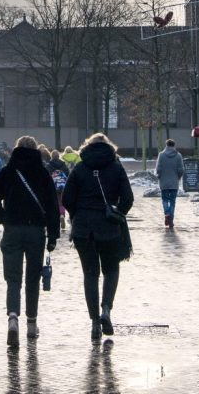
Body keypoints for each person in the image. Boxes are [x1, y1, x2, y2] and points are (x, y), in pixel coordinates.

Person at [0, 135, 60, 344]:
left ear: (16, 149)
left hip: (12, 230)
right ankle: (31, 323)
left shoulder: (8, 171)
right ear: (36, 149)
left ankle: (12, 317)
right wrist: (53, 235)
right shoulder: (43, 173)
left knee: (13, 277)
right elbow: (53, 207)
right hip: (36, 231)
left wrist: (3, 218)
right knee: (32, 279)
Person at [62, 132, 134, 343]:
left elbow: (66, 198)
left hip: (84, 229)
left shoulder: (80, 167)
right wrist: (117, 213)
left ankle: (94, 322)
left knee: (90, 274)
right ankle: (106, 309)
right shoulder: (116, 166)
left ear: (87, 146)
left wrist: (78, 214)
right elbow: (128, 198)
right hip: (109, 227)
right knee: (111, 269)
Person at [155, 139, 185, 229]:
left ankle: (167, 213)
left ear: (166, 145)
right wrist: (178, 177)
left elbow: (158, 169)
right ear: (174, 145)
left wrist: (159, 176)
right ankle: (171, 218)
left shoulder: (161, 155)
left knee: (165, 200)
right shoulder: (178, 155)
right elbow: (181, 170)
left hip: (163, 182)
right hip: (174, 182)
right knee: (172, 201)